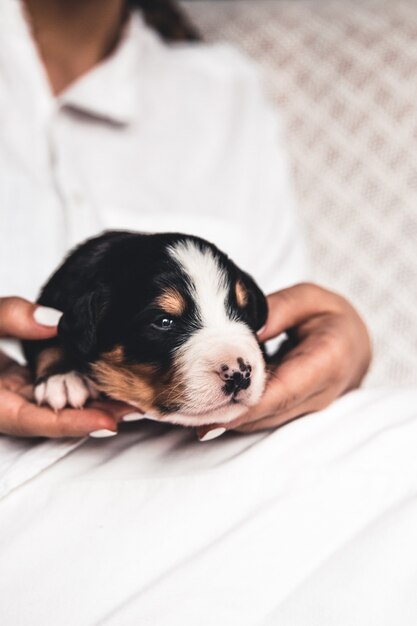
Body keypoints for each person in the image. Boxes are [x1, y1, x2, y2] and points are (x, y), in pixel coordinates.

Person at [6, 2, 416, 625]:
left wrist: (338, 352)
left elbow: (266, 324)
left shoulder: (223, 89)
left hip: (208, 489)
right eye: (167, 321)